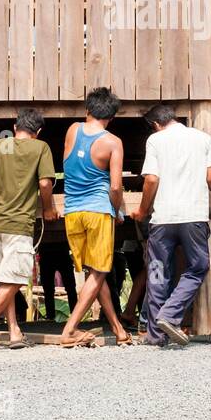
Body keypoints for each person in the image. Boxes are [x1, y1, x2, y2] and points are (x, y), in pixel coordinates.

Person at [131, 104, 211, 347]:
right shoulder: (202, 138)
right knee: (198, 266)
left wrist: (142, 209)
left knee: (158, 271)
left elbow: (151, 179)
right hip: (193, 217)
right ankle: (170, 314)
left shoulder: (155, 140)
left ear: (155, 124)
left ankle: (156, 334)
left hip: (162, 221)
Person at [0, 108, 58, 350]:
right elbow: (45, 182)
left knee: (6, 278)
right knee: (15, 279)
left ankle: (14, 331)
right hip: (19, 224)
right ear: (37, 132)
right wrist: (48, 208)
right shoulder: (41, 148)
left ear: (15, 128)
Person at [59, 87, 132, 347]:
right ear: (112, 116)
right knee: (100, 270)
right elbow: (115, 186)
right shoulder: (113, 142)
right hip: (98, 209)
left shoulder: (72, 130)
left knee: (94, 272)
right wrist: (118, 210)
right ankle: (69, 330)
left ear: (87, 109)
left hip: (72, 212)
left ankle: (118, 329)